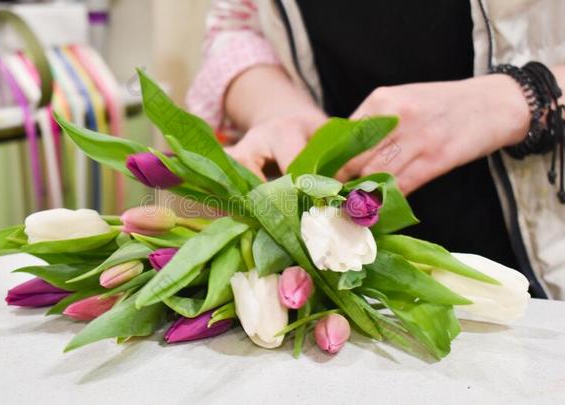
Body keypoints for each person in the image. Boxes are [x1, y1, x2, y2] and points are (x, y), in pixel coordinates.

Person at [186, 0, 565, 300]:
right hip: (348, 276)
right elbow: (236, 27)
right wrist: (278, 109)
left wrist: (523, 98)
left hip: (544, 274)